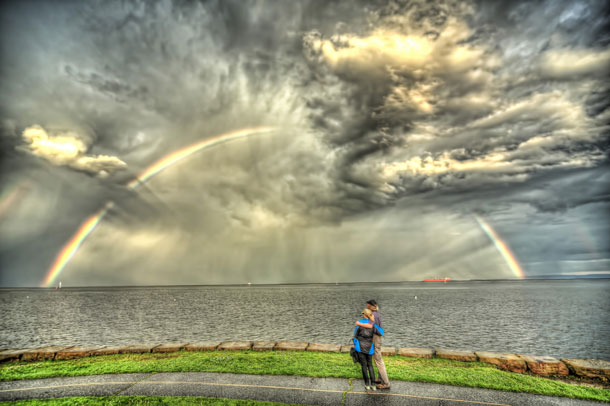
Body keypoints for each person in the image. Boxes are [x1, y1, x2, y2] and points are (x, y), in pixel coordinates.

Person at [355, 299, 390, 389]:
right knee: (376, 359)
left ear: (370, 306)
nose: (366, 306)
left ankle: (386, 383)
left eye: (367, 305)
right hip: (375, 337)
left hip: (375, 338)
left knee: (378, 360)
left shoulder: (373, 314)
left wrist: (358, 323)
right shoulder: (376, 313)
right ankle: (379, 379)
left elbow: (370, 326)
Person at [353, 308, 384, 391]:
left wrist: (355, 345)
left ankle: (367, 384)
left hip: (360, 347)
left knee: (364, 365)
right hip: (370, 347)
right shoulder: (373, 324)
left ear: (364, 315)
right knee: (370, 365)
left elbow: (355, 336)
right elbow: (381, 332)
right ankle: (373, 385)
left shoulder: (358, 324)